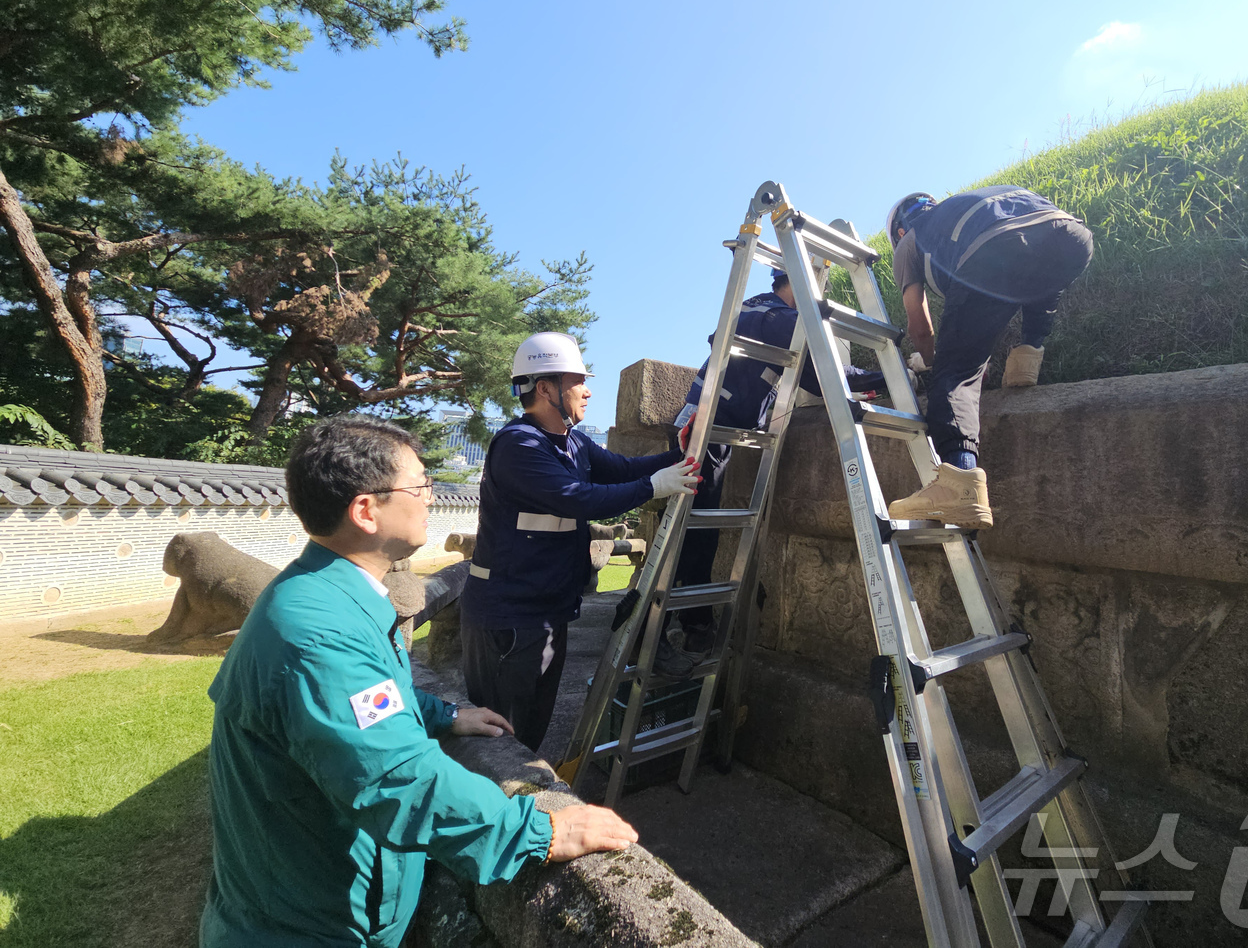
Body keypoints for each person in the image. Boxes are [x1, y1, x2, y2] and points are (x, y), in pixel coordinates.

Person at [201, 415, 638, 948]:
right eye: (419, 484)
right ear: (366, 510)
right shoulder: (316, 633)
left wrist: (443, 715)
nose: (431, 496)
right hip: (309, 926)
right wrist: (539, 830)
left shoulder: (328, 595)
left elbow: (367, 701)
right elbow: (397, 778)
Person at [460, 332, 700, 751]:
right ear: (545, 388)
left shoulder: (572, 441)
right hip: (510, 619)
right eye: (578, 381)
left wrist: (679, 453)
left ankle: (524, 808)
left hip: (548, 609)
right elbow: (579, 499)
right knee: (501, 739)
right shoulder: (520, 445)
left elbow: (622, 469)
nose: (587, 390)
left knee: (531, 732)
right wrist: (654, 487)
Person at [667, 268, 887, 667]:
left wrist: (874, 383)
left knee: (699, 524)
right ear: (798, 283)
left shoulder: (764, 312)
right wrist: (895, 373)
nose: (818, 293)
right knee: (696, 529)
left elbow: (815, 380)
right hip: (704, 430)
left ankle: (688, 622)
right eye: (816, 284)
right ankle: (671, 628)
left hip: (714, 425)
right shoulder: (777, 318)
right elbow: (826, 373)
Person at [883, 187, 1094, 528]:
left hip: (995, 247)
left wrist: (937, 364)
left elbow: (919, 327)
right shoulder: (968, 206)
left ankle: (960, 485)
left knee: (956, 374)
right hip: (1071, 236)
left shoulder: (910, 241)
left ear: (900, 232)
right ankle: (1027, 356)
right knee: (1042, 284)